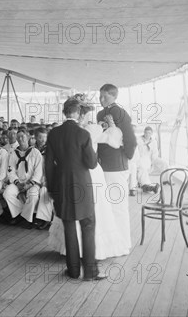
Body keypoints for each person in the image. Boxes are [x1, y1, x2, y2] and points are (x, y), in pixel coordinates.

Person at [48, 97, 131, 261]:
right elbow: (114, 141)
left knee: (72, 214)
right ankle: (90, 255)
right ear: (82, 115)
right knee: (92, 213)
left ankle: (72, 253)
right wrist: (111, 125)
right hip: (90, 174)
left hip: (69, 176)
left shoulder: (60, 131)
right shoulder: (91, 130)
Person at [45, 97, 105, 281]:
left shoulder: (53, 134)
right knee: (88, 226)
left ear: (64, 113)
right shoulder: (83, 134)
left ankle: (72, 271)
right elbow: (92, 164)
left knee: (69, 227)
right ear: (78, 114)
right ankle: (90, 272)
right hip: (83, 187)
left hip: (62, 186)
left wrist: (52, 189)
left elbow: (48, 165)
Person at [96, 83, 136, 254]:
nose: (101, 99)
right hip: (103, 165)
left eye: (105, 96)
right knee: (108, 207)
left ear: (114, 96)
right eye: (100, 96)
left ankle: (123, 244)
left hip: (116, 165)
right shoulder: (100, 113)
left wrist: (126, 156)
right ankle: (112, 245)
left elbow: (130, 139)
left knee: (118, 207)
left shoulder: (120, 112)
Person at [3, 131, 52, 229]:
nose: (21, 139)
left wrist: (29, 184)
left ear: (28, 137)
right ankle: (20, 214)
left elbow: (38, 172)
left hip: (32, 183)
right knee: (7, 193)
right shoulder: (13, 153)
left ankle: (27, 219)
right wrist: (17, 183)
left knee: (33, 196)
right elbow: (11, 171)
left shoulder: (35, 152)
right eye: (19, 137)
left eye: (23, 136)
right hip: (18, 182)